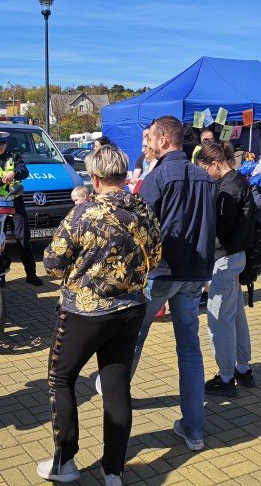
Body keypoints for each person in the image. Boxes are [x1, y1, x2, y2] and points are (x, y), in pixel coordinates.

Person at [38, 145, 162, 485]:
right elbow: (156, 253)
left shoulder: (84, 213)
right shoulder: (143, 209)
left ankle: (64, 462)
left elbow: (52, 263)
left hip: (86, 312)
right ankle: (113, 470)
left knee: (60, 379)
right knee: (117, 387)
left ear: (94, 178)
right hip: (131, 308)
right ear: (122, 175)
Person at [98, 115, 216, 451]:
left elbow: (137, 227)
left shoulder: (158, 177)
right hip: (193, 274)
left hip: (160, 273)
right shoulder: (203, 176)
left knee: (131, 339)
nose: (146, 143)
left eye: (150, 137)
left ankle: (114, 401)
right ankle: (194, 430)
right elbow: (210, 226)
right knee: (190, 351)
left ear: (164, 140)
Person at [194, 143, 256, 397]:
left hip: (224, 259)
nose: (205, 175)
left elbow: (220, 228)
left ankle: (227, 375)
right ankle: (241, 367)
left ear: (215, 165)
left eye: (204, 169)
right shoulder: (239, 180)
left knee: (219, 320)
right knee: (236, 316)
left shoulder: (227, 188)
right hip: (237, 256)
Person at [0, 131, 43, 285]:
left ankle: (31, 275)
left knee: (24, 240)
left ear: (5, 144)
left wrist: (14, 172)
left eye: (1, 144)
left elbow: (24, 171)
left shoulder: (14, 157)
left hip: (15, 203)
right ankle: (0, 277)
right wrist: (4, 180)